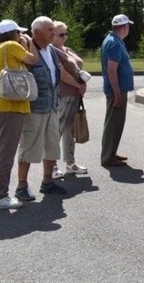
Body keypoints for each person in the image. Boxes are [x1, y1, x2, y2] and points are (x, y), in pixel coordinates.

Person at [15, 16, 83, 202]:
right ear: (36, 33)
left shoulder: (50, 50)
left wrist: (79, 77)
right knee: (29, 146)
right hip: (34, 107)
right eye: (49, 30)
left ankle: (47, 182)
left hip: (53, 105)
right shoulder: (27, 49)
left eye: (54, 30)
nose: (53, 33)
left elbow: (64, 66)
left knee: (52, 145)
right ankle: (21, 186)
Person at [0, 20, 39, 209]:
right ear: (12, 34)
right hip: (11, 107)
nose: (21, 35)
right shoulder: (12, 46)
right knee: (6, 153)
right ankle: (1, 196)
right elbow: (34, 60)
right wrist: (28, 43)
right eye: (19, 33)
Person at [51, 21, 88, 178]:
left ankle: (70, 163)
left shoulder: (66, 49)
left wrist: (81, 83)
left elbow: (77, 66)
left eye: (66, 33)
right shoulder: (52, 51)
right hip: (63, 94)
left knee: (69, 130)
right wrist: (79, 85)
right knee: (57, 129)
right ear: (51, 35)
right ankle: (51, 165)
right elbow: (63, 74)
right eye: (61, 34)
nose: (64, 37)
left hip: (73, 94)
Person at [101, 14, 135, 167]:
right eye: (128, 26)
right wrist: (117, 94)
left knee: (115, 123)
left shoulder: (114, 40)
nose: (128, 29)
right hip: (117, 90)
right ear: (124, 27)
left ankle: (111, 152)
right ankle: (108, 156)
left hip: (118, 89)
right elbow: (111, 70)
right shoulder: (114, 43)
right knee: (114, 123)